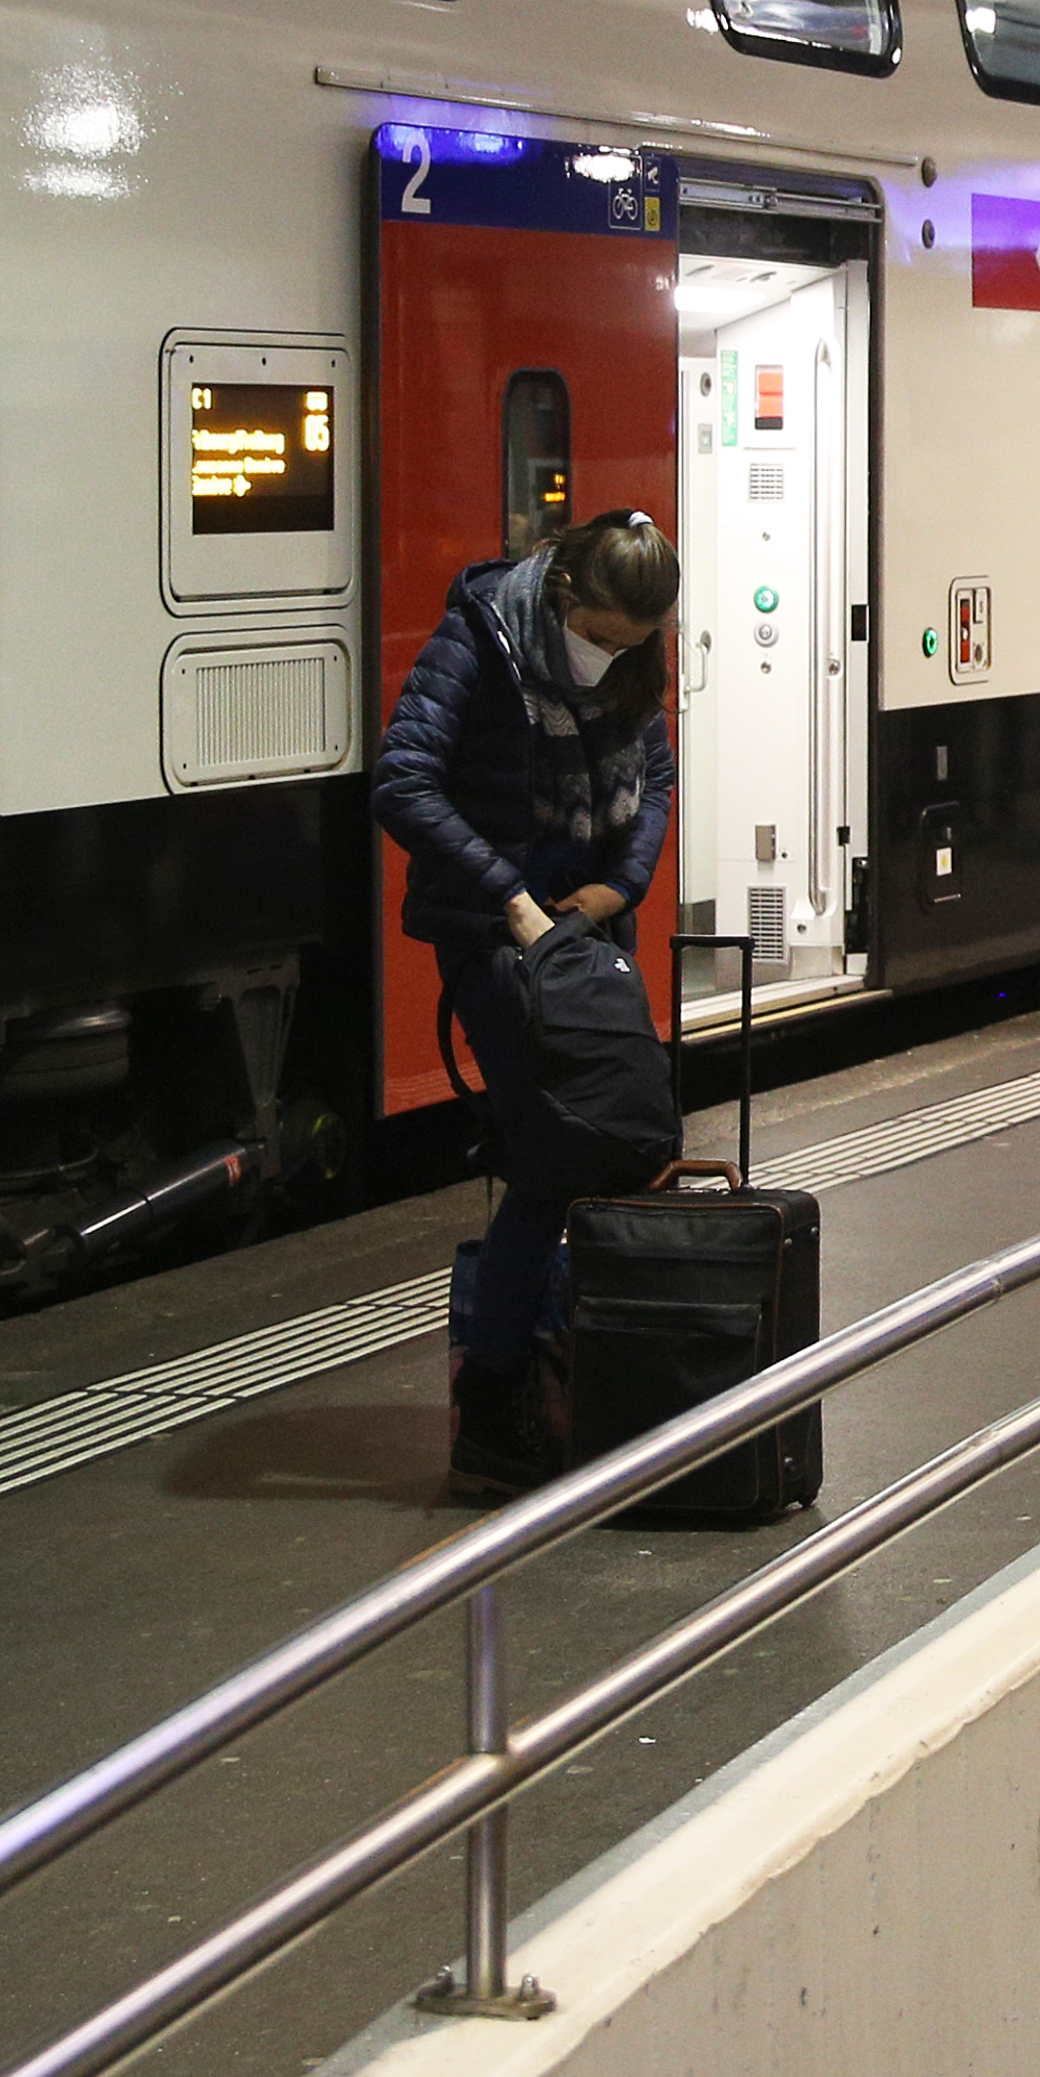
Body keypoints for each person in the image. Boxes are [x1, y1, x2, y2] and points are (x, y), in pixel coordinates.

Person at [369, 505, 684, 1502]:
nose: (612, 657)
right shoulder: (481, 636)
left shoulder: (630, 656)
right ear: (561, 594)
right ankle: (498, 1389)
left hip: (586, 937)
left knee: (612, 1145)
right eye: (598, 637)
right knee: (558, 1157)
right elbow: (402, 779)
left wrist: (615, 889)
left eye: (631, 643)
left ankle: (564, 1369)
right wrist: (511, 897)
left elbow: (658, 773)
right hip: (496, 937)